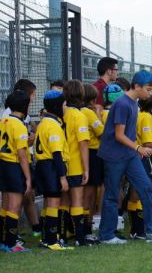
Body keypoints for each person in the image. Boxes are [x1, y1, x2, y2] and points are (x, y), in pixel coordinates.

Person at [98, 70, 152, 244]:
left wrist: (136, 149)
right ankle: (107, 235)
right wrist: (139, 148)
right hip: (114, 156)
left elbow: (128, 133)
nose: (150, 94)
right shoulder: (122, 104)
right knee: (112, 194)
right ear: (136, 86)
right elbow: (119, 135)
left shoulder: (134, 103)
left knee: (146, 188)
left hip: (129, 155)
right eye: (148, 89)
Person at [34, 90, 72, 250]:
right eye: (64, 105)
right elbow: (57, 153)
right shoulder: (54, 125)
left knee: (48, 202)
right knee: (53, 202)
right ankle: (52, 240)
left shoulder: (43, 122)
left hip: (42, 166)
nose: (65, 108)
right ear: (57, 106)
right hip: (51, 166)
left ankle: (47, 238)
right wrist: (62, 177)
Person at [0, 90, 32, 252]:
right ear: (25, 106)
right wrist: (28, 177)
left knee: (5, 205)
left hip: (2, 166)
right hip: (13, 166)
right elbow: (22, 154)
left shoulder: (3, 121)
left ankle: (3, 240)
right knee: (14, 205)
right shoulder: (19, 125)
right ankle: (11, 243)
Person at [127, 87, 152, 240]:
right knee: (140, 189)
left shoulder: (141, 114)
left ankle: (136, 228)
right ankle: (137, 228)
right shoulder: (146, 117)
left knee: (137, 189)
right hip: (144, 157)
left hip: (138, 155)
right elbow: (148, 142)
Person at [61, 80, 90, 246]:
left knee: (64, 201)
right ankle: (80, 238)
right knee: (77, 200)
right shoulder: (79, 116)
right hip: (75, 164)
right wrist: (86, 169)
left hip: (61, 164)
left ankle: (63, 235)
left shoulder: (62, 113)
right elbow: (83, 144)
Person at [81, 84, 104, 243]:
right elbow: (101, 132)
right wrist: (99, 115)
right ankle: (86, 228)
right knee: (89, 193)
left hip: (84, 152)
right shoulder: (88, 113)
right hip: (92, 153)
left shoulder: (76, 111)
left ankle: (80, 227)